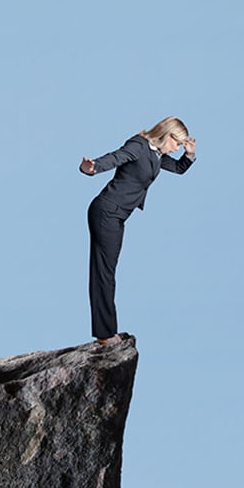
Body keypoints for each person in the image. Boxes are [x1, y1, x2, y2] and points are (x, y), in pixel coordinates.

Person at [80, 117, 197, 344]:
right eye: (177, 143)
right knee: (104, 273)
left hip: (116, 215)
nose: (177, 148)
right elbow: (116, 157)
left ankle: (106, 331)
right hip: (107, 212)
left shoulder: (157, 155)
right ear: (167, 135)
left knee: (106, 272)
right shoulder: (139, 145)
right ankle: (105, 335)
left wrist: (189, 154)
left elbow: (179, 168)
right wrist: (92, 168)